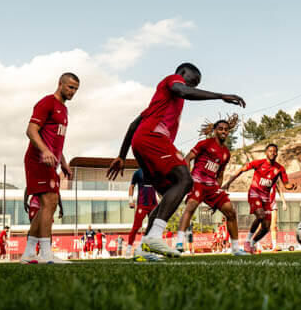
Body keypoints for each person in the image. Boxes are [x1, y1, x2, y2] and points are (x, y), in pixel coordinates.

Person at [106, 63, 245, 259]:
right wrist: (220, 96)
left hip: (142, 142)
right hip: (153, 138)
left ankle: (144, 247)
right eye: (193, 82)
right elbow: (182, 90)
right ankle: (154, 237)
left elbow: (133, 125)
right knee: (185, 180)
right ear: (182, 73)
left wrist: (121, 156)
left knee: (168, 197)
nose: (193, 86)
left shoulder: (161, 101)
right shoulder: (173, 81)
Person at [20, 72, 79, 264]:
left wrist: (64, 162)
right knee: (50, 201)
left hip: (50, 162)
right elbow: (31, 130)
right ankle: (46, 253)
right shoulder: (47, 103)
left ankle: (29, 253)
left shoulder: (64, 110)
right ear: (60, 84)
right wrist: (44, 151)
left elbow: (55, 141)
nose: (73, 92)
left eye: (76, 89)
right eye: (70, 87)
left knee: (48, 205)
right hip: (37, 159)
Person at [176, 119, 248, 255]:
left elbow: (220, 174)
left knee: (231, 212)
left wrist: (217, 192)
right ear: (215, 131)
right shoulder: (205, 144)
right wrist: (188, 179)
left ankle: (235, 248)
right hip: (197, 181)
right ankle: (179, 243)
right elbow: (187, 158)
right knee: (191, 206)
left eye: (226, 129)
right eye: (220, 128)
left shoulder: (226, 153)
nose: (223, 131)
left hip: (212, 186)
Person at [224, 143, 295, 253]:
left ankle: (252, 243)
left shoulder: (280, 169)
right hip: (255, 193)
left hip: (266, 198)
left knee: (266, 227)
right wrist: (229, 182)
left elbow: (286, 184)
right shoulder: (259, 163)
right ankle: (247, 241)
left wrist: (291, 186)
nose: (272, 153)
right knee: (261, 215)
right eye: (270, 151)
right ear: (266, 153)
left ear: (277, 153)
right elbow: (242, 169)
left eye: (274, 151)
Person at [127, 168, 158, 257]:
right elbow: (131, 186)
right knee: (136, 227)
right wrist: (130, 201)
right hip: (142, 204)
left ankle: (147, 248)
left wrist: (163, 199)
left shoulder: (155, 171)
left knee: (154, 227)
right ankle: (129, 249)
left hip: (153, 205)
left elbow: (159, 187)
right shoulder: (138, 172)